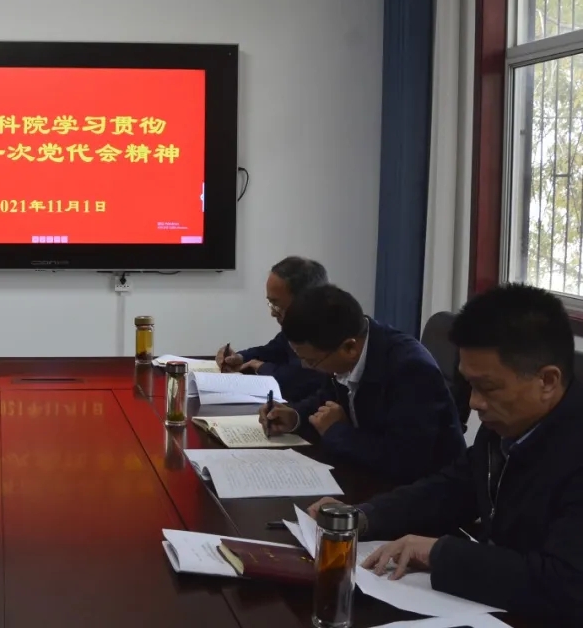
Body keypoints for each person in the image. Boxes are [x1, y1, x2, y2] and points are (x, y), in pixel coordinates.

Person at [307, 284, 583, 621]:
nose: (474, 403)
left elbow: (565, 584)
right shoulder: (508, 425)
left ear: (548, 381)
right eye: (469, 384)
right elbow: (451, 489)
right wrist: (363, 517)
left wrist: (439, 553)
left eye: (488, 387)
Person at [258, 284, 464, 483]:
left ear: (349, 348)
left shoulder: (410, 370)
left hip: (425, 489)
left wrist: (336, 431)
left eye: (312, 361)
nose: (307, 367)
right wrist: (294, 416)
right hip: (368, 473)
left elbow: (405, 461)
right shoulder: (345, 345)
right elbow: (326, 398)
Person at [215, 256, 328, 402]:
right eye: (270, 303)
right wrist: (240, 357)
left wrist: (261, 367)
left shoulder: (328, 334)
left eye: (276, 304)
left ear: (304, 301)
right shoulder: (294, 328)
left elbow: (302, 381)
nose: (273, 313)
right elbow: (272, 350)